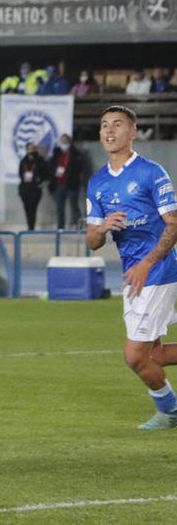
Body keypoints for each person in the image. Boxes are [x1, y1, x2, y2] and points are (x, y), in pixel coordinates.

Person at [85, 105, 177, 430]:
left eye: (118, 125)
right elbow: (92, 242)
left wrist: (147, 263)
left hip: (157, 271)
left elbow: (173, 224)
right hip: (132, 276)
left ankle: (170, 410)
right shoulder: (97, 184)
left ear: (133, 132)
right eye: (104, 125)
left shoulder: (151, 172)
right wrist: (102, 228)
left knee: (135, 355)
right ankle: (170, 410)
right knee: (151, 354)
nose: (109, 131)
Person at [50, 134, 86, 230]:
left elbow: (79, 168)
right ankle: (60, 227)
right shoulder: (56, 153)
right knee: (60, 207)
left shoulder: (75, 153)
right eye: (62, 141)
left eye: (65, 141)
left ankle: (77, 225)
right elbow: (52, 166)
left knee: (74, 206)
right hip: (59, 183)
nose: (64, 143)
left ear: (69, 142)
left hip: (71, 184)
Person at [18, 142, 50, 230]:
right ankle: (29, 226)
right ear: (27, 150)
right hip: (25, 188)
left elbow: (46, 174)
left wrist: (39, 179)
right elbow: (20, 173)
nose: (32, 150)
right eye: (30, 148)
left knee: (32, 208)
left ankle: (31, 227)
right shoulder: (23, 161)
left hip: (35, 189)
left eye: (34, 148)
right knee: (27, 208)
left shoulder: (40, 161)